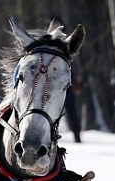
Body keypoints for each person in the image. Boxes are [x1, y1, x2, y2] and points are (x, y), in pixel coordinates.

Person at [50, 15, 83, 143]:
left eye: (57, 23)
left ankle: (77, 137)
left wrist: (78, 75)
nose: (55, 26)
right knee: (52, 112)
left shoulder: (68, 41)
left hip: (67, 82)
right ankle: (51, 137)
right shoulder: (46, 42)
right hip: (52, 84)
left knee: (72, 112)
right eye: (53, 23)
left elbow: (76, 60)